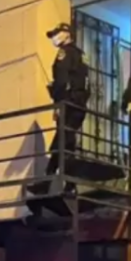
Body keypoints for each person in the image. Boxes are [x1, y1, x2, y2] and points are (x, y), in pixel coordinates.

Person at [28, 22, 90, 198]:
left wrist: (57, 100)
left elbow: (62, 81)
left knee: (61, 144)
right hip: (79, 104)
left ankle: (52, 184)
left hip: (68, 104)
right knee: (65, 144)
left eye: (57, 33)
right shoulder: (80, 54)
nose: (54, 38)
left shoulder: (65, 53)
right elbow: (84, 81)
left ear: (67, 34)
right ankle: (65, 185)